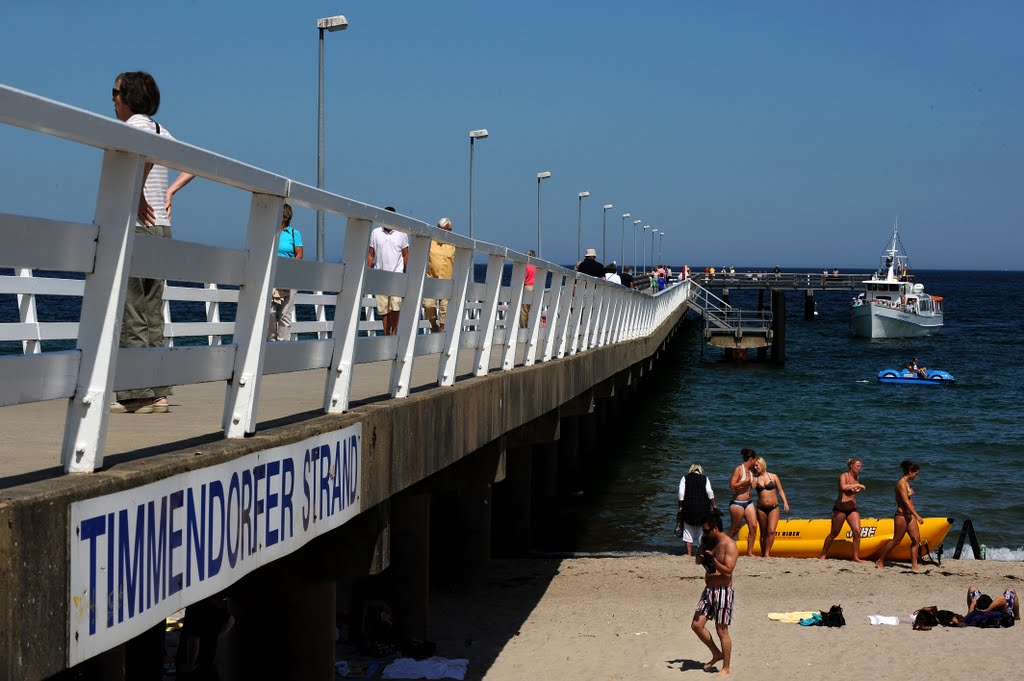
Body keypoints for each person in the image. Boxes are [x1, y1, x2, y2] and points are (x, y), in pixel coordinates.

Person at [110, 71, 194, 415]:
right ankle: (158, 392)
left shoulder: (135, 128)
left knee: (132, 311)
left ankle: (135, 394)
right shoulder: (161, 130)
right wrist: (169, 192)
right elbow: (191, 162)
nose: (112, 99)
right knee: (152, 311)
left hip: (141, 228)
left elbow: (142, 160)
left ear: (129, 96)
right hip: (163, 227)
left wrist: (136, 193)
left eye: (115, 92)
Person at [691, 512, 738, 675]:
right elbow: (698, 561)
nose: (704, 533)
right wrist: (702, 549)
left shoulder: (729, 545)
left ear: (716, 529)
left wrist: (713, 560)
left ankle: (726, 667)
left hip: (723, 592)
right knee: (696, 625)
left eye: (706, 530)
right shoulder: (709, 541)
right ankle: (716, 653)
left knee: (721, 630)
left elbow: (728, 571)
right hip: (709, 591)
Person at [367, 207, 409, 336]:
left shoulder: (402, 233)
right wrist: (368, 271)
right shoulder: (375, 233)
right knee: (383, 309)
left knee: (395, 306)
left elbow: (405, 254)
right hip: (380, 275)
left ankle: (394, 331)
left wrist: (406, 273)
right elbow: (370, 254)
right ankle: (386, 333)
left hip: (396, 274)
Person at [875, 460, 924, 570]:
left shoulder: (907, 483)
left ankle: (914, 564)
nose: (916, 476)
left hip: (909, 517)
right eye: (916, 474)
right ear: (910, 471)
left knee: (916, 540)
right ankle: (880, 560)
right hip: (901, 516)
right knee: (896, 540)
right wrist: (917, 515)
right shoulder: (901, 483)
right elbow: (906, 502)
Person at [819, 457, 868, 562]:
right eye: (858, 466)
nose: (860, 468)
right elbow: (843, 487)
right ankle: (823, 554)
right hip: (840, 510)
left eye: (860, 466)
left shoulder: (857, 477)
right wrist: (857, 485)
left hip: (852, 509)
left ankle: (855, 557)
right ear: (851, 466)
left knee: (857, 532)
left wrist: (856, 489)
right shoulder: (843, 476)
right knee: (834, 533)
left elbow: (851, 492)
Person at [175, 597, 234, 680]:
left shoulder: (194, 608)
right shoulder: (210, 605)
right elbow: (231, 620)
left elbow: (194, 640)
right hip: (208, 661)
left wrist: (190, 666)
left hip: (193, 665)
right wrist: (217, 637)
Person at [267, 203, 303, 341]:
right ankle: (270, 342)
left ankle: (283, 346)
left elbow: (299, 253)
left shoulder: (294, 233)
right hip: (272, 276)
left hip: (289, 278)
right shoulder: (271, 232)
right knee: (269, 312)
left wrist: (289, 267)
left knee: (285, 315)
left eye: (280, 214)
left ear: (286, 216)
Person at [677, 463, 719, 556]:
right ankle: (701, 553)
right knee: (701, 531)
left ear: (691, 470)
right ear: (700, 470)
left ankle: (688, 554)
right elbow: (709, 492)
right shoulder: (705, 478)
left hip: (688, 508)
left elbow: (681, 493)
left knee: (688, 531)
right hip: (703, 509)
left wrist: (680, 506)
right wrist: (714, 506)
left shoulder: (685, 478)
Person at [752, 457, 789, 558]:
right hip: (760, 508)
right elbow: (747, 491)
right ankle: (763, 553)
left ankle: (767, 553)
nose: (755, 467)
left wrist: (785, 502)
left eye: (757, 465)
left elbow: (780, 490)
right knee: (763, 532)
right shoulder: (755, 479)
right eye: (754, 466)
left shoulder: (773, 476)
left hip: (774, 507)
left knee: (771, 531)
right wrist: (751, 485)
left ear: (762, 464)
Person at [423, 217, 455, 332]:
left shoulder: (453, 244)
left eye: (449, 230)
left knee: (444, 308)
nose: (446, 232)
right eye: (444, 229)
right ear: (438, 228)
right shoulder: (430, 242)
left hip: (447, 279)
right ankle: (433, 325)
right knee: (428, 305)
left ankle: (441, 330)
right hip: (431, 278)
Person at [726, 448, 758, 557]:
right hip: (737, 503)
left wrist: (754, 482)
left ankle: (749, 552)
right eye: (755, 459)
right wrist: (744, 481)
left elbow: (752, 483)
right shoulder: (739, 469)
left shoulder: (752, 471)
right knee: (735, 528)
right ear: (751, 459)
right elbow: (732, 486)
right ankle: (721, 546)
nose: (756, 462)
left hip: (748, 502)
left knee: (753, 526)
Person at [520, 250, 537, 328]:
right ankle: (533, 327)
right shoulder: (537, 267)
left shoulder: (526, 266)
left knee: (524, 311)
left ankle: (524, 327)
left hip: (527, 287)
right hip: (535, 288)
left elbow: (523, 278)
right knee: (533, 309)